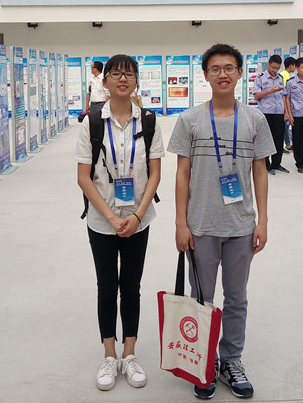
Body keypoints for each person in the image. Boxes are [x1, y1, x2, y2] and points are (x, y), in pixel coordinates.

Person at [168, 43, 274, 400]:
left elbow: (260, 172)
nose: (223, 74)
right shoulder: (190, 120)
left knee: (237, 298)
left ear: (240, 73)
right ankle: (203, 361)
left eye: (229, 68)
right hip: (201, 226)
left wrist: (262, 221)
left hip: (242, 226)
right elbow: (182, 174)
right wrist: (181, 223)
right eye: (215, 69)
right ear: (206, 75)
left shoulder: (255, 120)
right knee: (202, 300)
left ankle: (230, 360)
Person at [75, 54, 164, 392]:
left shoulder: (149, 122)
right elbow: (84, 178)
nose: (122, 79)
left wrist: (137, 215)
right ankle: (109, 355)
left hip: (139, 219)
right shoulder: (91, 122)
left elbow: (155, 174)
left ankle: (130, 354)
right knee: (106, 286)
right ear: (105, 81)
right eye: (116, 73)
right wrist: (112, 217)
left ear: (137, 81)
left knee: (131, 286)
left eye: (129, 74)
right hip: (102, 220)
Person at [252, 54, 289, 174]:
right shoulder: (260, 78)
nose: (275, 70)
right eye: (273, 67)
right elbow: (256, 95)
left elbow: (284, 95)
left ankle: (276, 164)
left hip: (279, 112)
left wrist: (286, 112)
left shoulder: (280, 78)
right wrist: (270, 91)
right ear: (268, 64)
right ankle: (266, 166)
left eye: (277, 68)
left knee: (279, 139)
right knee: (266, 140)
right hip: (266, 113)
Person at [281, 57, 296, 151]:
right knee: (284, 126)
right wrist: (286, 110)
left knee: (285, 126)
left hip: (284, 105)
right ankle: (286, 145)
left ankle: (287, 144)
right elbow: (285, 94)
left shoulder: (283, 74)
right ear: (291, 66)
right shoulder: (286, 76)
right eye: (295, 66)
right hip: (284, 105)